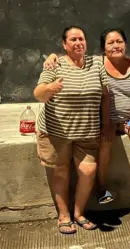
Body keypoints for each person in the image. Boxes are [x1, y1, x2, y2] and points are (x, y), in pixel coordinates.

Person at [43, 28, 130, 203]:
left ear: (125, 44)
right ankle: (101, 187)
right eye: (110, 43)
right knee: (104, 142)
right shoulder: (97, 63)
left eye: (119, 41)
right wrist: (53, 56)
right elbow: (73, 56)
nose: (116, 46)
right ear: (104, 48)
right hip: (106, 120)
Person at [34, 26, 111, 234]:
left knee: (88, 170)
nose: (78, 42)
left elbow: (105, 96)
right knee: (61, 172)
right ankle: (64, 215)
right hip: (56, 132)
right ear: (64, 45)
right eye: (73, 39)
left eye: (82, 39)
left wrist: (106, 124)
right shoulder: (55, 64)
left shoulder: (96, 63)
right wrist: (49, 89)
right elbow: (39, 94)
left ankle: (78, 213)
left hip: (87, 132)